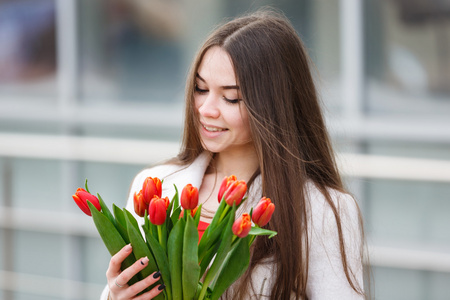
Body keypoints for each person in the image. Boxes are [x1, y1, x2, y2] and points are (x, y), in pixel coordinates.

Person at [101, 9, 367, 300]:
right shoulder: (154, 185)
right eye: (201, 89)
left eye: (230, 97)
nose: (206, 109)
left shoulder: (322, 210)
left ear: (273, 105)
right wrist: (115, 295)